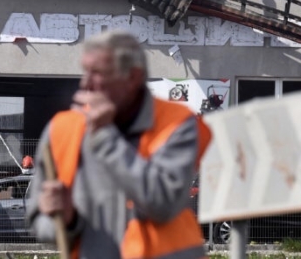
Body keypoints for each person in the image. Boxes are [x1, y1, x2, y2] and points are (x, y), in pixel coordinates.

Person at [26, 31, 211, 259]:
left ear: (133, 77)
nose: (85, 84)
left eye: (98, 73)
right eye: (85, 71)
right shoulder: (61, 129)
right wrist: (66, 220)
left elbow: (163, 203)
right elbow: (39, 220)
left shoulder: (177, 124)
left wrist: (105, 137)